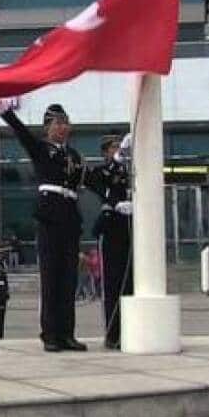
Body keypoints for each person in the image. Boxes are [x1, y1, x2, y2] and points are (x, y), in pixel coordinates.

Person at [0, 103, 87, 352]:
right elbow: (21, 132)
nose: (62, 127)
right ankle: (50, 334)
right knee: (51, 278)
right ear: (47, 127)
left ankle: (66, 333)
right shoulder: (41, 149)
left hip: (70, 217)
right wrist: (6, 112)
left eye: (65, 122)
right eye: (57, 123)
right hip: (49, 218)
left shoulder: (75, 156)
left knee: (69, 279)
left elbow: (87, 180)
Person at [84, 134, 133, 351]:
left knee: (130, 283)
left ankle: (131, 331)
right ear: (105, 152)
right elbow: (96, 183)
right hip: (112, 226)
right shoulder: (101, 171)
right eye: (113, 148)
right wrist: (117, 160)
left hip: (130, 225)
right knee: (113, 284)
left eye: (118, 148)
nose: (118, 151)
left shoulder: (128, 169)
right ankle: (113, 335)